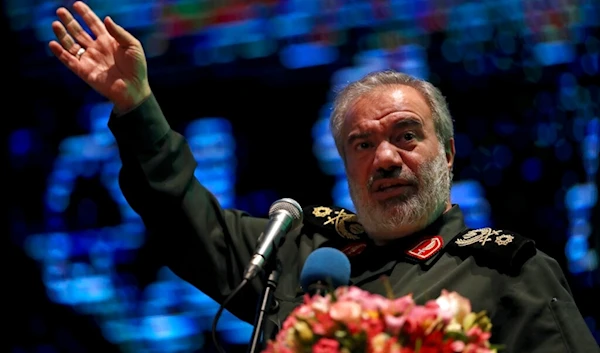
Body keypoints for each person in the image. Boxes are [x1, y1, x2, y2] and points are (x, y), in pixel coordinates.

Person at [48, 2, 598, 352]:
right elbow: (182, 216)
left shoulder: (510, 272)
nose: (384, 158)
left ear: (448, 155)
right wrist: (137, 104)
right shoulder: (296, 252)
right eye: (362, 144)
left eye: (406, 135)